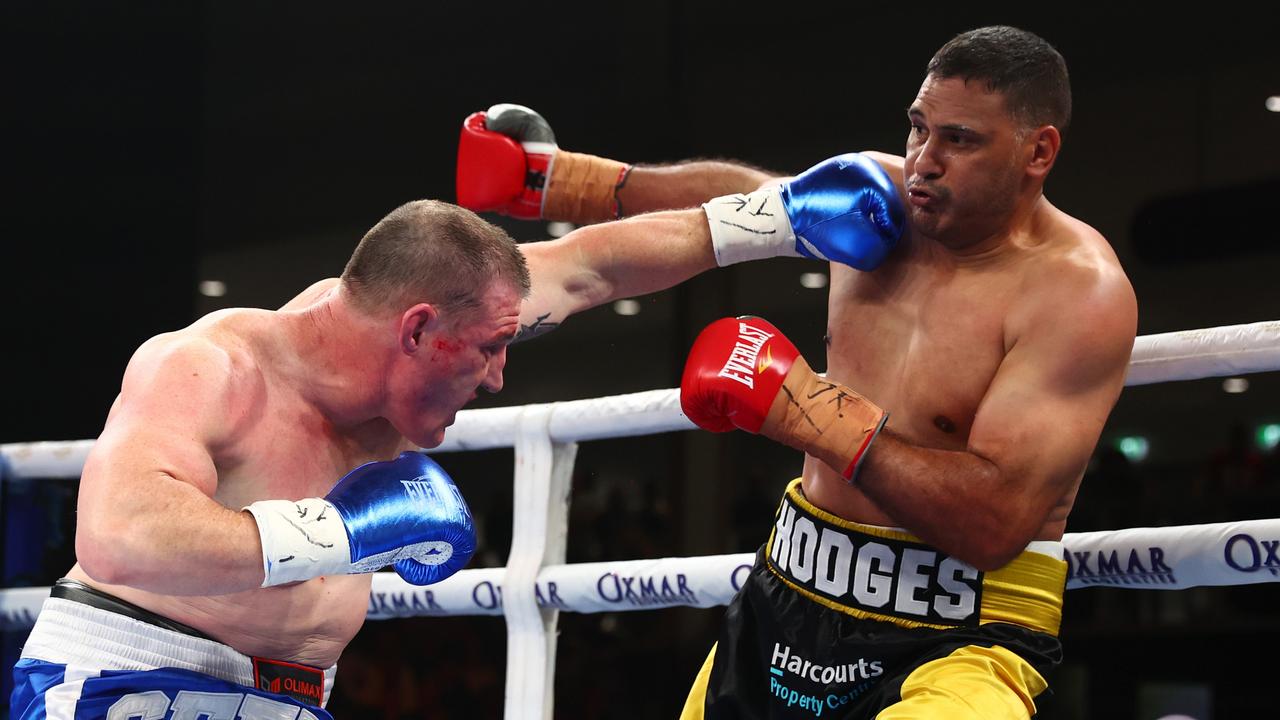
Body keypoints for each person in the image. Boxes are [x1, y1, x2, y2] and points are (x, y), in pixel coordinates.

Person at [455, 25, 1138, 719]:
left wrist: (809, 411)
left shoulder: (1076, 294)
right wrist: (563, 182)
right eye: (918, 129)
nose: (923, 161)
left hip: (959, 639)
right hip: (789, 598)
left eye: (959, 140)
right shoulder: (880, 200)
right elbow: (746, 201)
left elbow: (993, 526)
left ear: (1038, 151)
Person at [10, 200, 530, 719]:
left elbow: (582, 272)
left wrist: (582, 183)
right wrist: (334, 533)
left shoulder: (461, 311)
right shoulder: (211, 365)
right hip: (127, 678)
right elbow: (116, 536)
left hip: (294, 700)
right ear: (416, 329)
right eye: (492, 348)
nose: (496, 378)